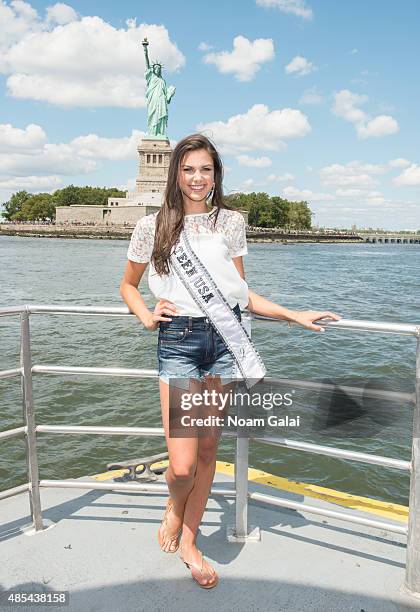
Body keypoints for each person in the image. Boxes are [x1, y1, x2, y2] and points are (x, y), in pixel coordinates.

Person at [120, 133, 341, 589]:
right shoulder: (153, 226)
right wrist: (145, 314)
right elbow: (127, 285)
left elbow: (239, 297)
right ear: (175, 174)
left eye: (206, 169)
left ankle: (189, 541)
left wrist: (293, 314)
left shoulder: (231, 223)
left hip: (223, 347)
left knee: (206, 452)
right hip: (179, 344)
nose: (197, 178)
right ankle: (173, 506)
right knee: (180, 466)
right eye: (188, 169)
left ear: (216, 174)